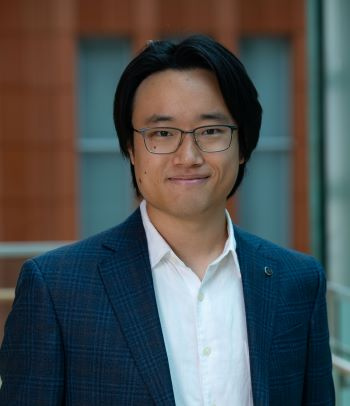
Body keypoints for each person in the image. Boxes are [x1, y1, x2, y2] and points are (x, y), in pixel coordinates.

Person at [0, 35, 334, 406]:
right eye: (161, 133)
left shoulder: (298, 283)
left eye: (210, 131)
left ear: (243, 146)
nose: (187, 156)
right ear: (130, 147)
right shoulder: (56, 290)